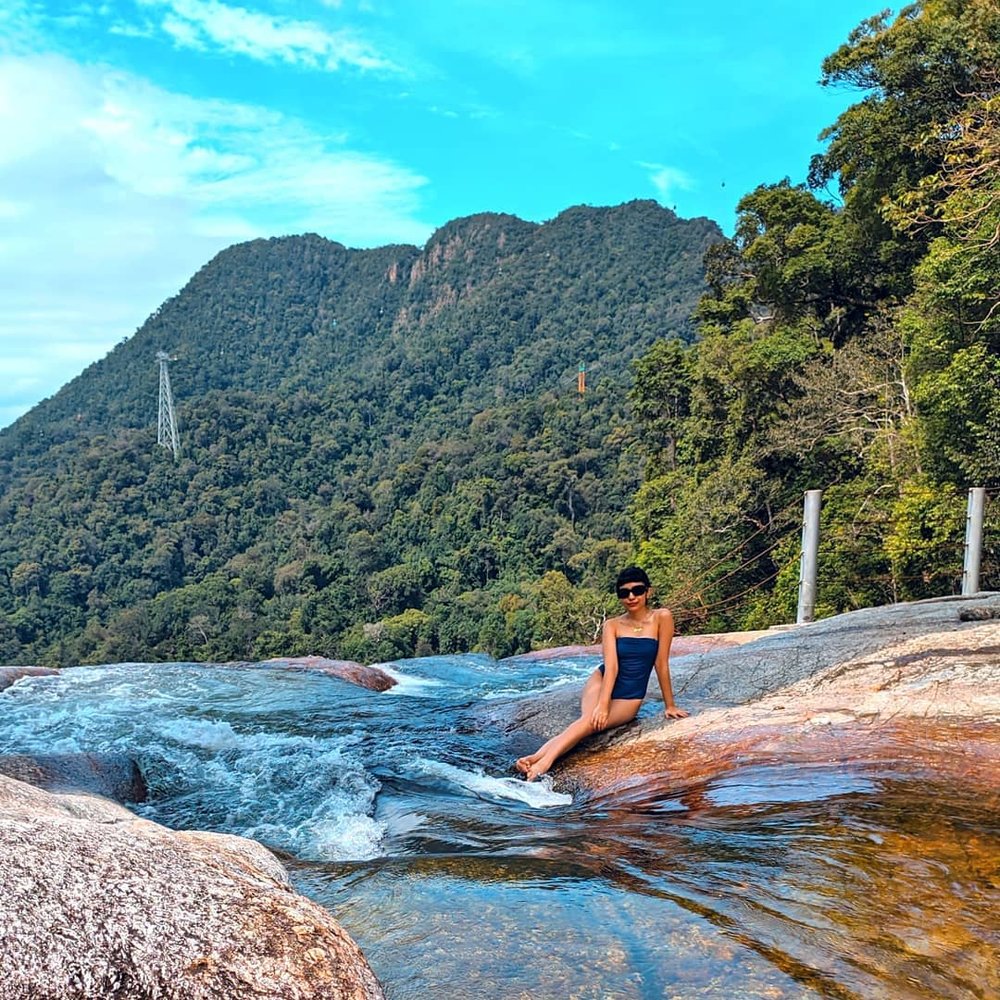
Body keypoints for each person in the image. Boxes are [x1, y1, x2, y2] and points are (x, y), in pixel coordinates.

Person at [516, 567, 688, 782]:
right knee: (588, 721)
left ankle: (540, 760)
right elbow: (612, 667)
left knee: (588, 723)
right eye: (624, 593)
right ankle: (538, 759)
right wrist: (603, 705)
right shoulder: (612, 625)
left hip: (630, 696)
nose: (631, 597)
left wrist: (670, 705)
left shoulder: (662, 617)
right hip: (601, 679)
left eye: (637, 590)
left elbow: (661, 663)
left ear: (648, 591)